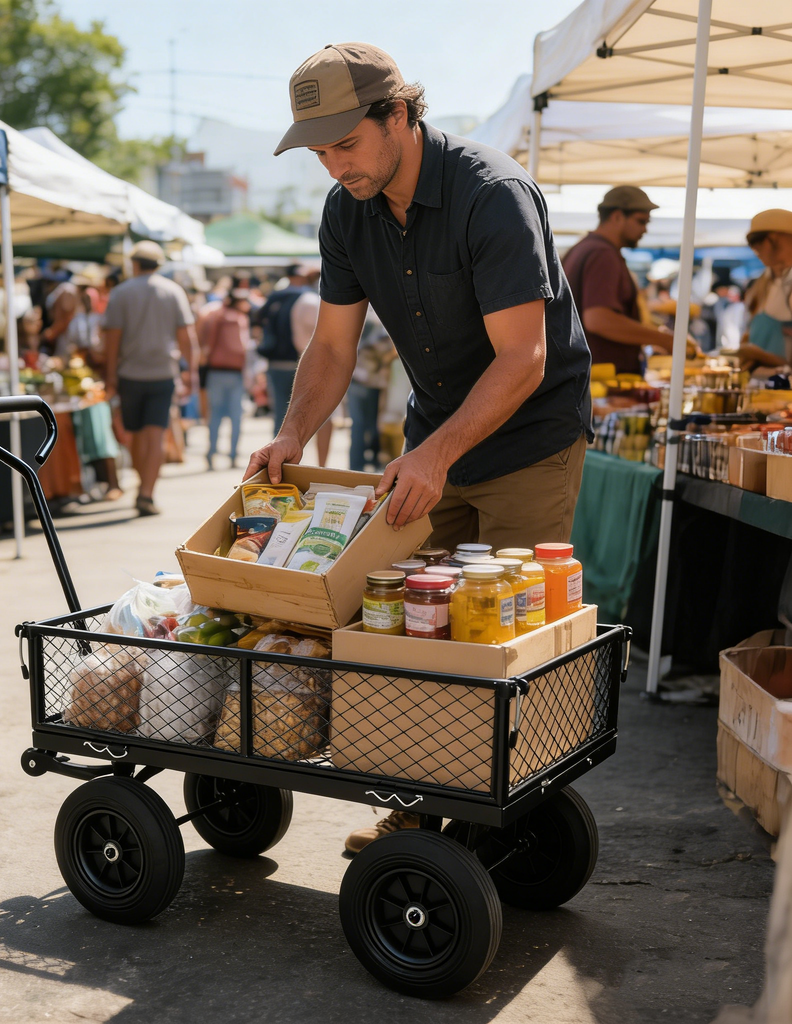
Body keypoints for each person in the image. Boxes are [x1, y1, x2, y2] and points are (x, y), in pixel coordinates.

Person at [250, 42, 593, 854]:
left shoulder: (492, 194)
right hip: (434, 439)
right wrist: (293, 429)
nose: (335, 166)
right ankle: (422, 804)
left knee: (500, 642)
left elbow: (524, 359)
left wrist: (435, 456)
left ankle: (489, 820)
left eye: (346, 143)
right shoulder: (347, 212)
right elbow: (333, 348)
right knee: (410, 630)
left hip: (530, 440)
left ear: (399, 114)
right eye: (319, 150)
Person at [99, 239, 197, 516]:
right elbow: (187, 337)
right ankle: (146, 493)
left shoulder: (120, 293)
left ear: (134, 263)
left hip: (130, 374)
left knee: (136, 435)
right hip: (163, 374)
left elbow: (112, 340)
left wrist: (110, 377)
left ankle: (143, 489)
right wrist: (192, 372)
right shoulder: (173, 291)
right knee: (155, 435)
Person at [562, 186, 689, 374]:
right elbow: (598, 319)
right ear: (617, 216)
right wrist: (664, 339)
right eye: (641, 221)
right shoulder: (602, 253)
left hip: (586, 375)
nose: (645, 230)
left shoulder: (583, 248)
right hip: (600, 378)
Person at [255, 264, 332, 464]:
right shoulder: (309, 300)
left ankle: (279, 466)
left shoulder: (275, 296)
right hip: (301, 363)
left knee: (282, 419)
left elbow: (257, 324)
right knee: (322, 415)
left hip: (275, 363)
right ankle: (320, 465)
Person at [201, 289, 252, 469]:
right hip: (236, 372)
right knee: (236, 417)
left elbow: (208, 343)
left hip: (216, 371)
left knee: (215, 416)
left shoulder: (217, 316)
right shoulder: (241, 319)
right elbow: (245, 349)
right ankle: (232, 456)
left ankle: (211, 453)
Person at [738, 210, 792, 372]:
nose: (756, 251)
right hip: (765, 379)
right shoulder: (763, 282)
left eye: (756, 243)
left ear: (774, 238)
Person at [347, 308, 396, 472]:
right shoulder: (376, 321)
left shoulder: (355, 316)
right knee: (368, 424)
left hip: (355, 377)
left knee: (359, 424)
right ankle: (364, 463)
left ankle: (358, 463)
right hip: (369, 380)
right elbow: (383, 348)